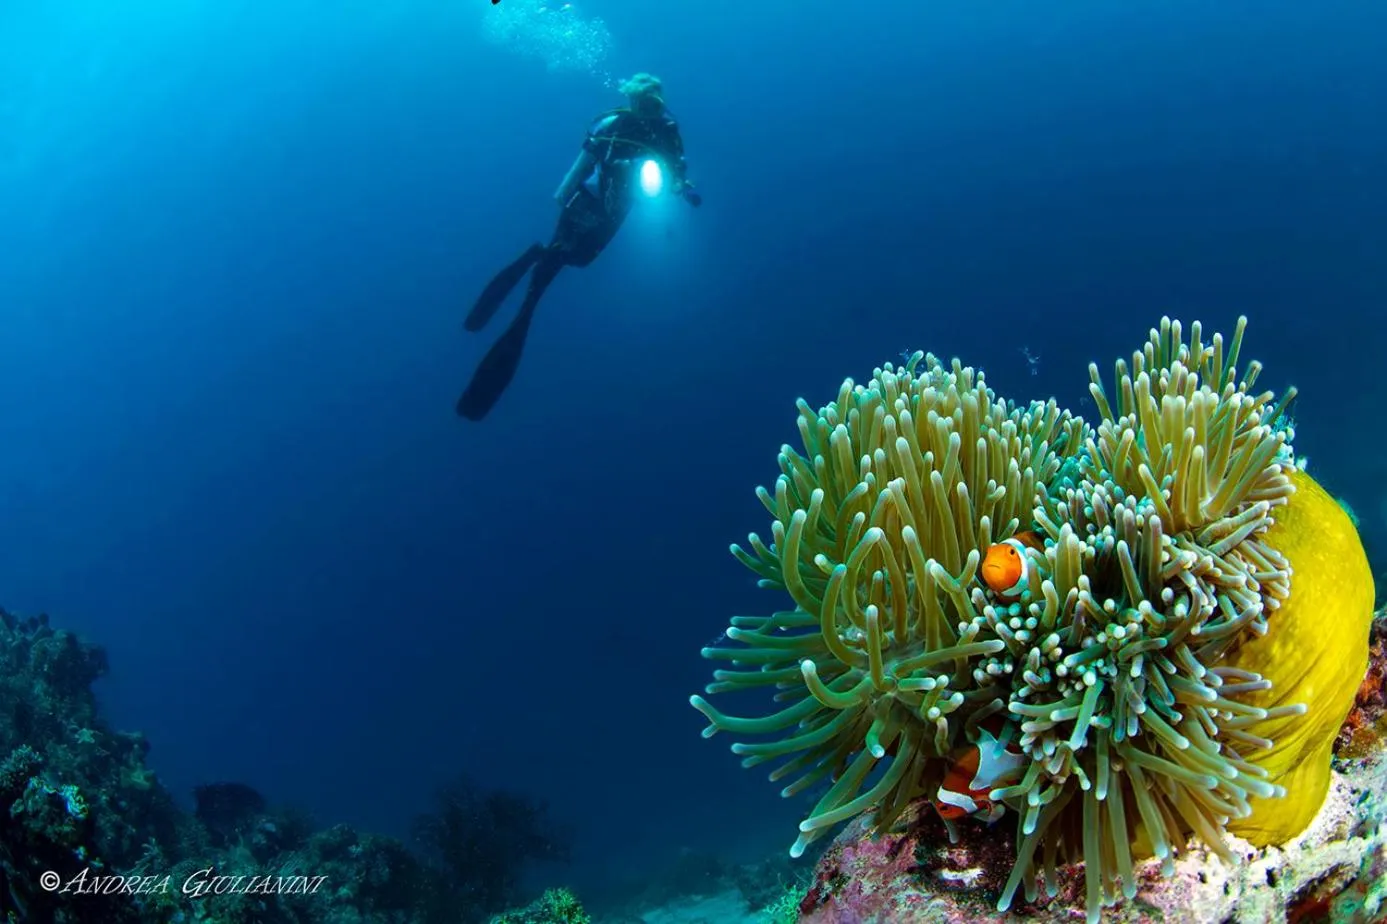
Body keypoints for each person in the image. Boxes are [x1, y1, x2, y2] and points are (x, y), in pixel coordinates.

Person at [456, 73, 702, 421]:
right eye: (644, 102)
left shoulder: (667, 130)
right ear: (633, 100)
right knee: (548, 273)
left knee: (581, 259)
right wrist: (564, 191)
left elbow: (677, 166)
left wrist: (681, 186)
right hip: (587, 201)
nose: (649, 109)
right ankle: (535, 276)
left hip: (616, 209)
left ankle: (541, 257)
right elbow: (584, 162)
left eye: (654, 103)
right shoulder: (614, 124)